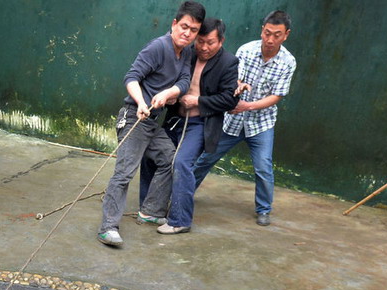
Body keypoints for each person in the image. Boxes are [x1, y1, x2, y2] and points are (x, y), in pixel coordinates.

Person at [96, 1, 205, 248]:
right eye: (184, 27)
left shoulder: (187, 52)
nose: (187, 33)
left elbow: (185, 80)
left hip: (155, 123)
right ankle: (108, 227)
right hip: (136, 116)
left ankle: (151, 210)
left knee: (170, 159)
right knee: (124, 174)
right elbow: (131, 77)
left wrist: (169, 92)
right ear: (174, 24)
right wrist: (142, 102)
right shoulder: (158, 47)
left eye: (194, 30)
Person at [191, 10, 296, 227]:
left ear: (286, 35)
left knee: (263, 167)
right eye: (267, 33)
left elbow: (277, 96)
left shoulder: (288, 62)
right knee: (205, 158)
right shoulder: (246, 50)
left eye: (276, 35)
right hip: (232, 120)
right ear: (262, 30)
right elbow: (233, 77)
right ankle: (184, 192)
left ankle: (264, 210)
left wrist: (248, 106)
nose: (270, 39)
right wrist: (238, 86)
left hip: (261, 123)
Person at [152, 18, 239, 234]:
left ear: (221, 41)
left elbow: (230, 100)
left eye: (210, 42)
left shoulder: (229, 62)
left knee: (181, 163)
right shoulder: (186, 53)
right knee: (152, 157)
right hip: (175, 119)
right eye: (200, 41)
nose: (204, 47)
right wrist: (172, 95)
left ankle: (180, 220)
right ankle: (152, 210)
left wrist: (198, 101)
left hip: (200, 124)